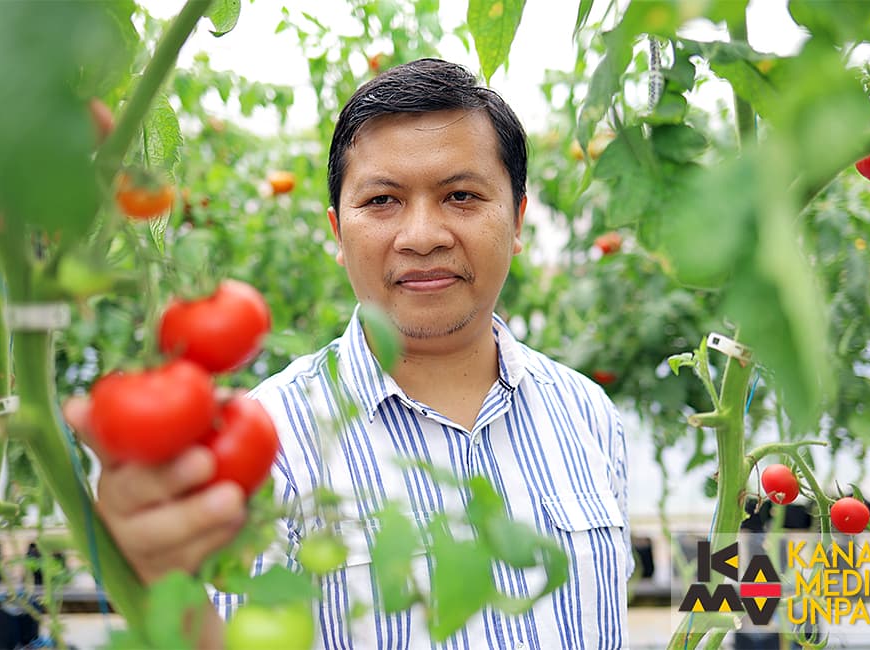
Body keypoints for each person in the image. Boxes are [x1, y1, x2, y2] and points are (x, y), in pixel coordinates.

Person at [65, 57, 633, 649]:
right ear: (338, 232)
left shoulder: (587, 413)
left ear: (516, 220)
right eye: (383, 200)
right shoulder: (264, 444)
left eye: (461, 195)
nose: (422, 236)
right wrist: (161, 586)